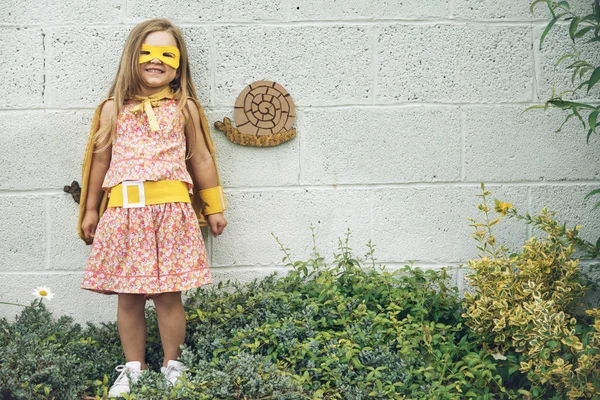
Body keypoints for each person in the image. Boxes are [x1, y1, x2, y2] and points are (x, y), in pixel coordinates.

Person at [77, 19, 227, 397]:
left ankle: (172, 365)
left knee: (168, 296)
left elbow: (203, 159)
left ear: (179, 63)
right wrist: (91, 209)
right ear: (132, 58)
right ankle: (133, 368)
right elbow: (99, 160)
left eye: (166, 54)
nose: (155, 61)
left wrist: (213, 207)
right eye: (147, 53)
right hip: (124, 216)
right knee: (129, 298)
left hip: (170, 215)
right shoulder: (113, 109)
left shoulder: (184, 107)